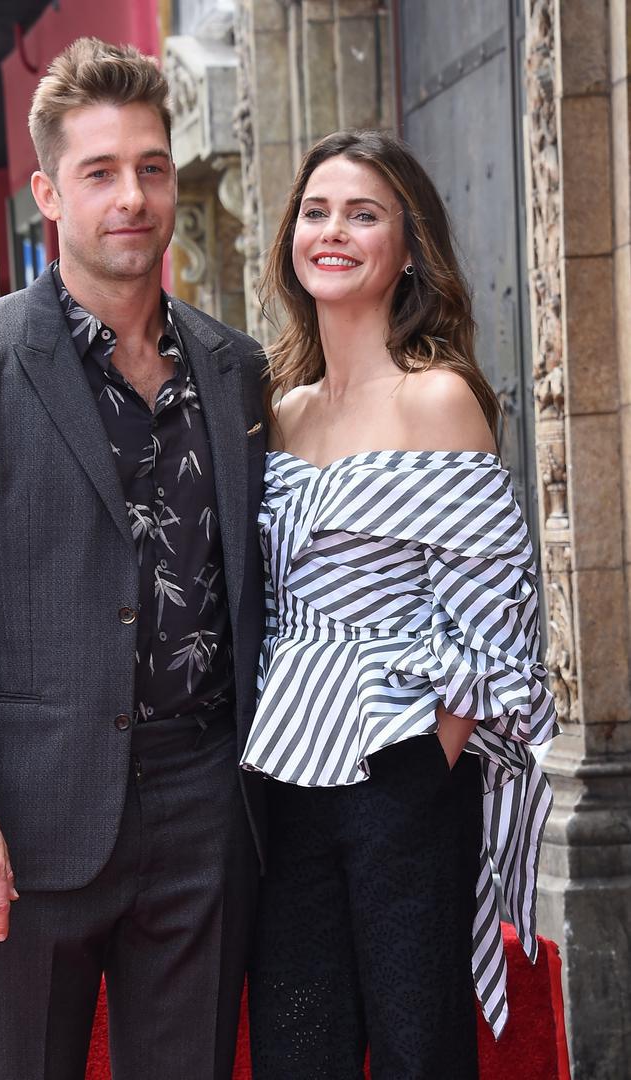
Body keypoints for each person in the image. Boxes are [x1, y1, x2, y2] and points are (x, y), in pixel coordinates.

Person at [0, 37, 268, 1080]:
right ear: (50, 194)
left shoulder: (235, 369)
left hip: (202, 808)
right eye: (100, 172)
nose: (132, 196)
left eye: (150, 167)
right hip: (23, 821)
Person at [240, 130, 559, 1080]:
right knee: (299, 1047)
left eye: (363, 214)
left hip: (398, 767)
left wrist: (429, 759)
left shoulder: (437, 399)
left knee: (420, 1050)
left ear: (409, 247)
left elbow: (497, 617)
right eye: (316, 211)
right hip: (284, 774)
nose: (332, 231)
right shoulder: (281, 409)